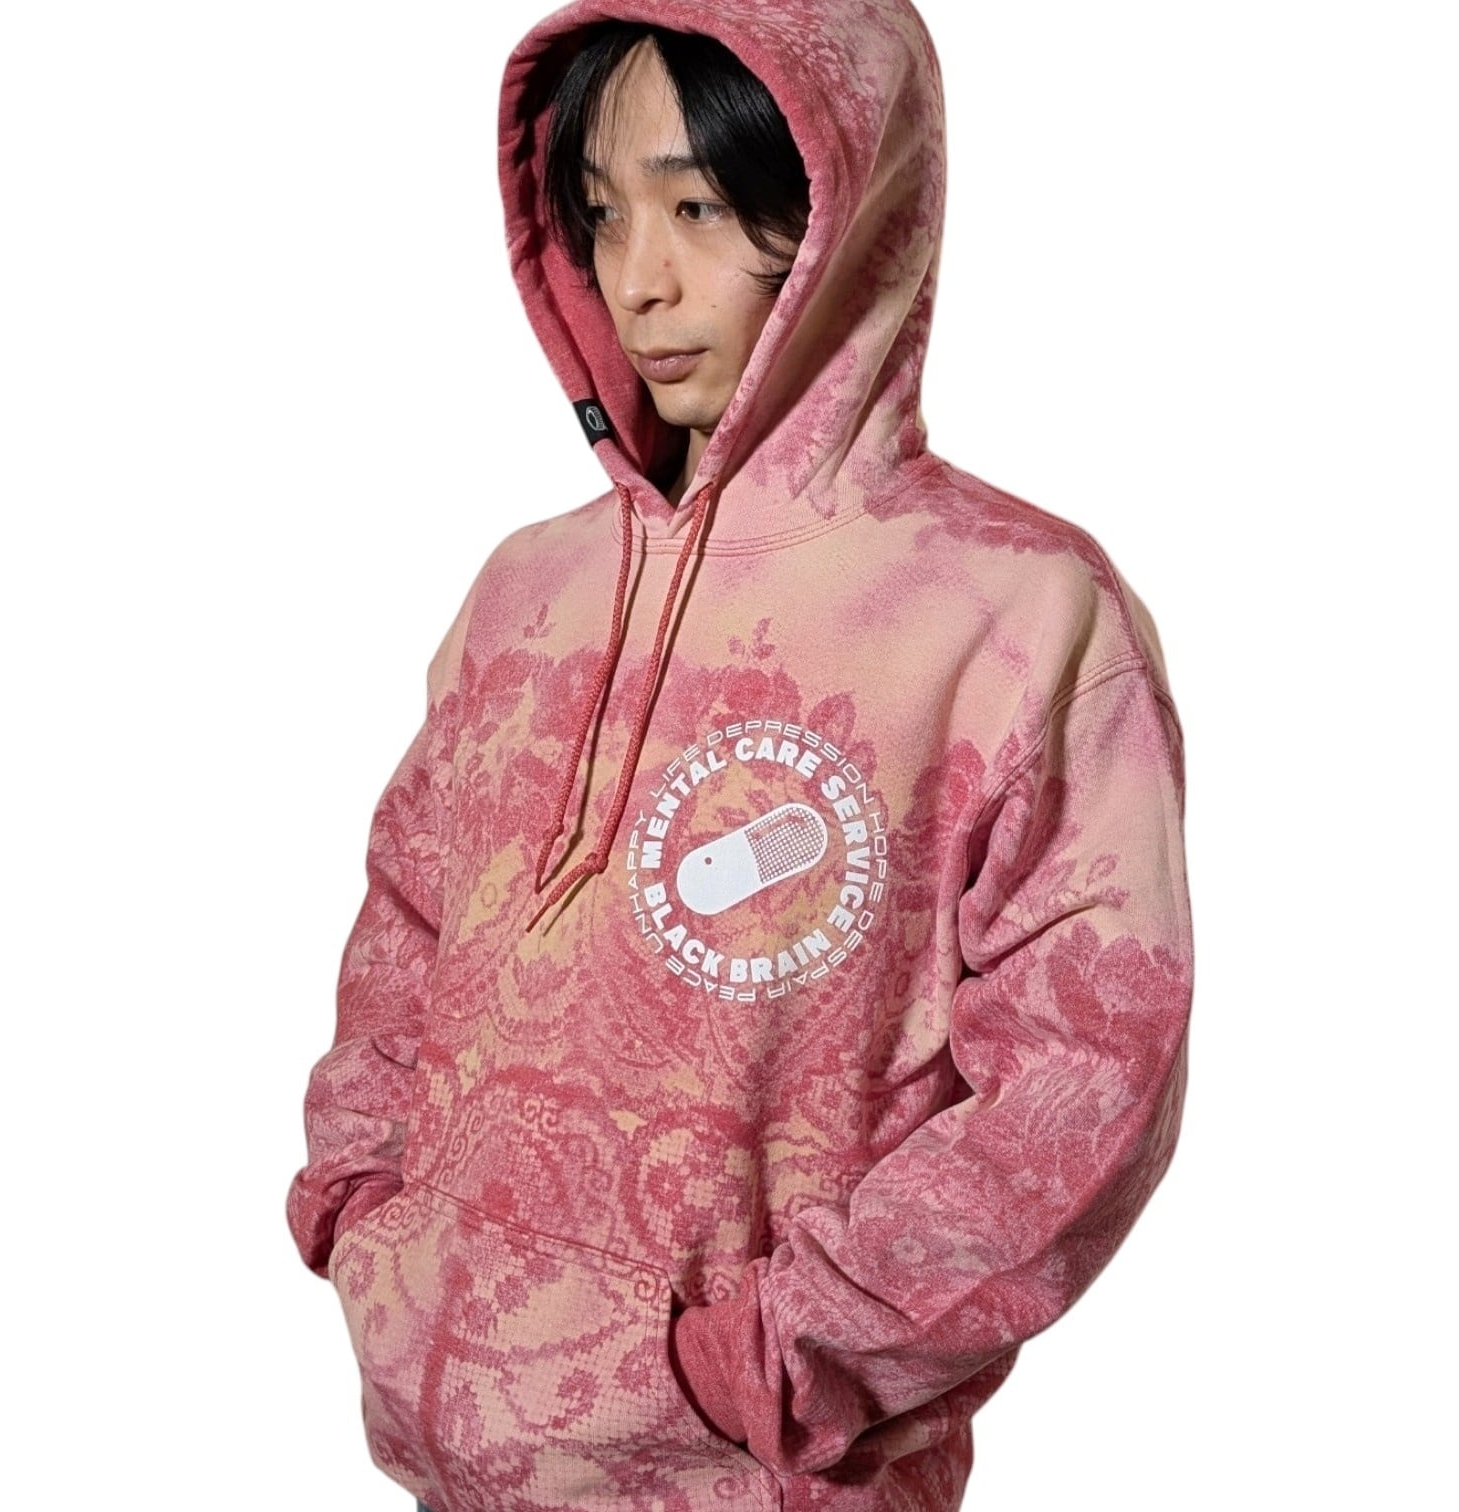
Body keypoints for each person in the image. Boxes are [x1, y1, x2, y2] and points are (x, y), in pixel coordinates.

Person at [286, 1, 1193, 1508]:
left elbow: (1088, 1077)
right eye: (600, 215)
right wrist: (364, 1207)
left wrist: (778, 1357)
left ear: (848, 203)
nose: (638, 281)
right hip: (447, 1472)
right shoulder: (526, 592)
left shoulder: (1012, 614)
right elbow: (409, 924)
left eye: (697, 207)